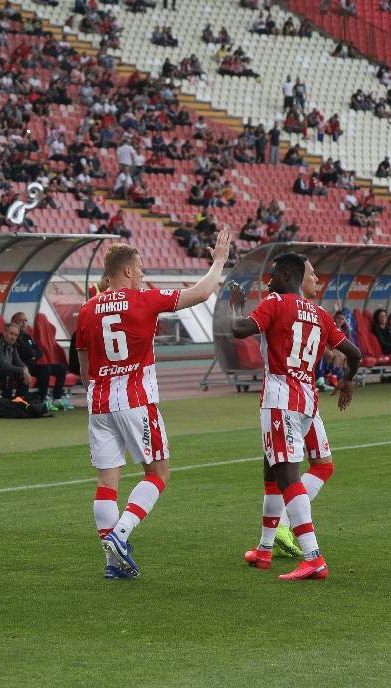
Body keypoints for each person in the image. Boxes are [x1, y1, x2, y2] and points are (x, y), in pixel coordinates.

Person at [76, 226, 231, 579]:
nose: (143, 273)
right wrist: (219, 261)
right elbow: (202, 292)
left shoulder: (86, 310)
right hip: (136, 400)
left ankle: (113, 563)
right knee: (158, 473)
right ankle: (120, 534)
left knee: (106, 482)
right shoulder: (144, 298)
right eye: (140, 267)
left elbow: (84, 367)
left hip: (98, 402)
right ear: (127, 270)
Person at [229, 253, 361, 580]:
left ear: (287, 275)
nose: (269, 281)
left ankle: (313, 556)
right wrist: (346, 381)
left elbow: (240, 329)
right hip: (307, 398)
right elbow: (354, 354)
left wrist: (235, 305)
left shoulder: (276, 302)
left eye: (273, 276)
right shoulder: (320, 314)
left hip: (280, 398)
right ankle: (263, 550)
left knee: (286, 475)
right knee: (273, 471)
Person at [11, 312, 72, 410]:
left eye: (25, 320)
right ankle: (42, 400)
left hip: (33, 364)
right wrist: (33, 354)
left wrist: (34, 355)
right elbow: (24, 353)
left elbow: (39, 350)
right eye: (20, 321)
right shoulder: (13, 336)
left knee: (61, 368)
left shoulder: (27, 337)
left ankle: (56, 398)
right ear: (13, 322)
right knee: (45, 369)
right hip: (24, 366)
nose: (23, 323)